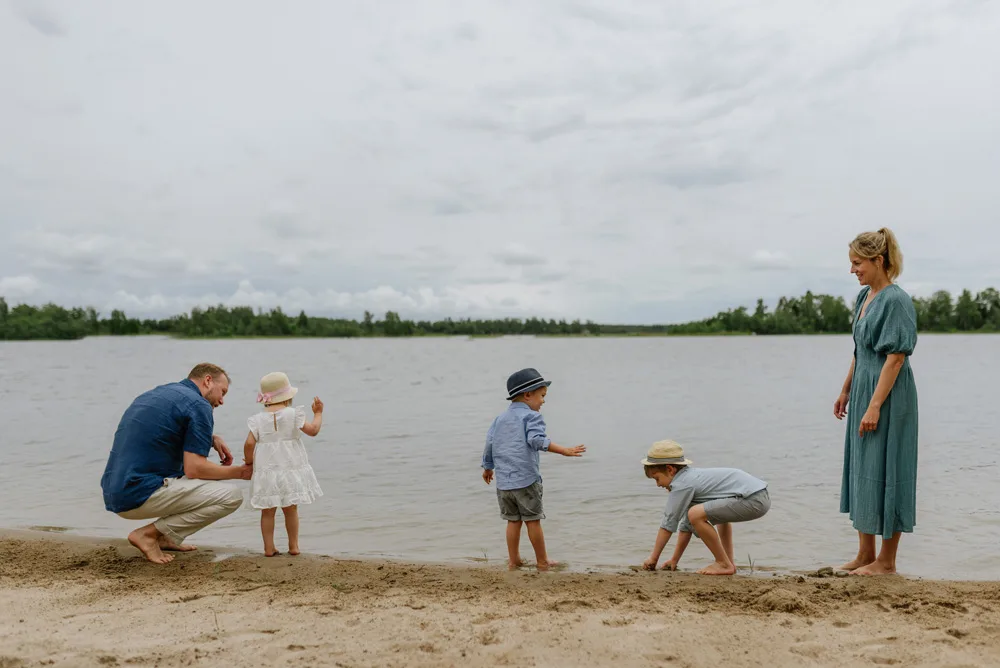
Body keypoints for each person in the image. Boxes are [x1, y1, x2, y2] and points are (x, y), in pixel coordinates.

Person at [100, 363, 251, 564]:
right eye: (222, 392)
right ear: (207, 380)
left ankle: (166, 537)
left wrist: (210, 438)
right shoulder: (199, 405)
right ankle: (148, 535)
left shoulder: (158, 393)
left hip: (116, 493)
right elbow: (195, 468)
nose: (222, 401)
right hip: (138, 493)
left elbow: (162, 434)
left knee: (188, 477)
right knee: (231, 496)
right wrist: (241, 472)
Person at [835, 227, 919, 576]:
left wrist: (874, 405)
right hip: (865, 389)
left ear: (878, 260)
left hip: (889, 395)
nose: (853, 270)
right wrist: (846, 391)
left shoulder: (896, 300)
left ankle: (886, 562)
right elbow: (860, 351)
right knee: (863, 469)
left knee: (889, 469)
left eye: (857, 263)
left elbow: (895, 357)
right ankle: (865, 554)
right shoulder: (863, 297)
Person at [481, 368, 586, 571]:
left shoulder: (499, 419)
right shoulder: (531, 417)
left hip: (504, 483)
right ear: (528, 394)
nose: (543, 401)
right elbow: (537, 440)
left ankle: (514, 560)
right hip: (526, 480)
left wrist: (487, 467)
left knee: (512, 522)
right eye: (542, 396)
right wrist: (563, 450)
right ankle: (542, 561)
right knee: (533, 521)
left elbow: (490, 444)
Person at [640, 440, 770, 576]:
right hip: (759, 496)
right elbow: (686, 525)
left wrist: (653, 559)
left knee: (695, 514)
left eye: (657, 478)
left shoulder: (682, 484)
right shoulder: (691, 477)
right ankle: (728, 563)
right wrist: (674, 560)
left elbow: (668, 523)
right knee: (704, 515)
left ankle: (723, 563)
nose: (658, 485)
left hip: (753, 499)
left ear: (670, 470)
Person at [242, 371, 325, 557]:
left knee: (267, 511)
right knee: (291, 508)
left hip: (267, 471)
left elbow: (248, 443)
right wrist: (318, 413)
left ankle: (268, 548)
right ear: (288, 397)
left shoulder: (257, 419)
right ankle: (294, 546)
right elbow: (313, 431)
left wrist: (249, 461)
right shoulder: (294, 414)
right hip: (290, 469)